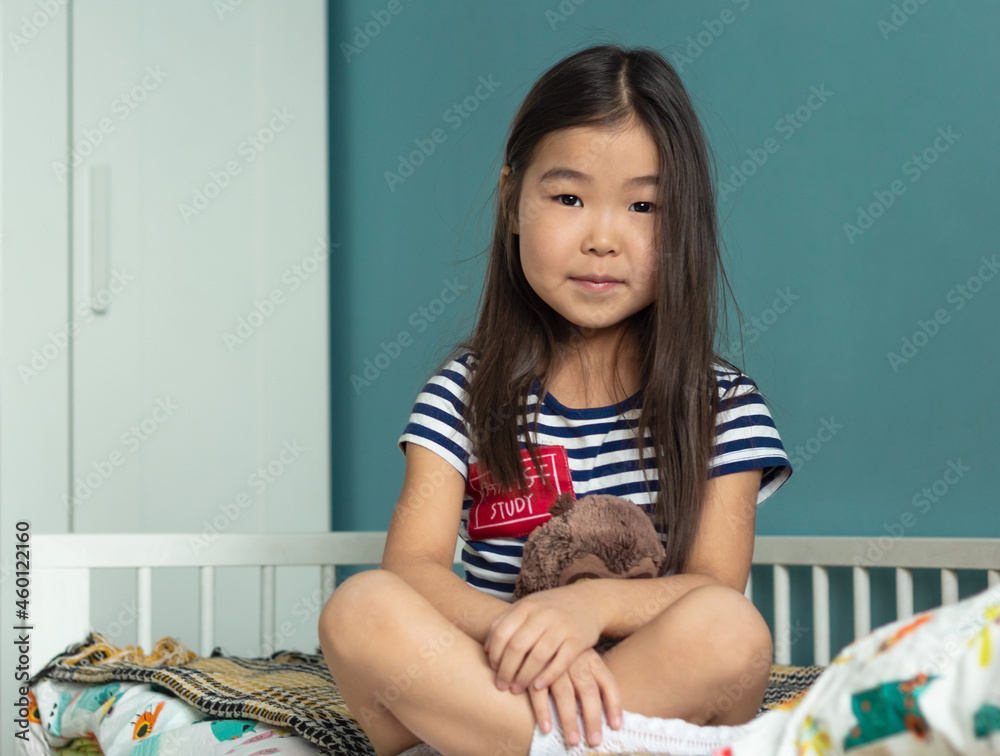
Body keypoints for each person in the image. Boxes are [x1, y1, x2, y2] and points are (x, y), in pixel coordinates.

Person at [319, 43, 793, 756]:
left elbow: (711, 584)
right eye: (568, 198)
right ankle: (555, 743)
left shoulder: (721, 404)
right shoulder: (464, 395)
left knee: (732, 632)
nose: (602, 238)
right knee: (359, 609)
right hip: (497, 677)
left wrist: (586, 608)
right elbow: (414, 567)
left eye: (643, 205)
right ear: (512, 201)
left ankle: (506, 746)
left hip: (644, 683)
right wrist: (535, 641)